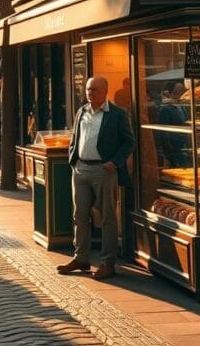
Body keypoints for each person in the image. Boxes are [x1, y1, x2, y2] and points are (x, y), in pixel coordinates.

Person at [58, 76, 135, 281]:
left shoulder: (117, 114)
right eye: (87, 89)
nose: (89, 93)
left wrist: (114, 162)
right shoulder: (81, 112)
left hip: (104, 170)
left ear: (105, 91)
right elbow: (75, 137)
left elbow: (129, 142)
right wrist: (73, 159)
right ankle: (81, 257)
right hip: (81, 168)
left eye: (93, 90)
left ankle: (107, 262)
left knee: (108, 217)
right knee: (80, 215)